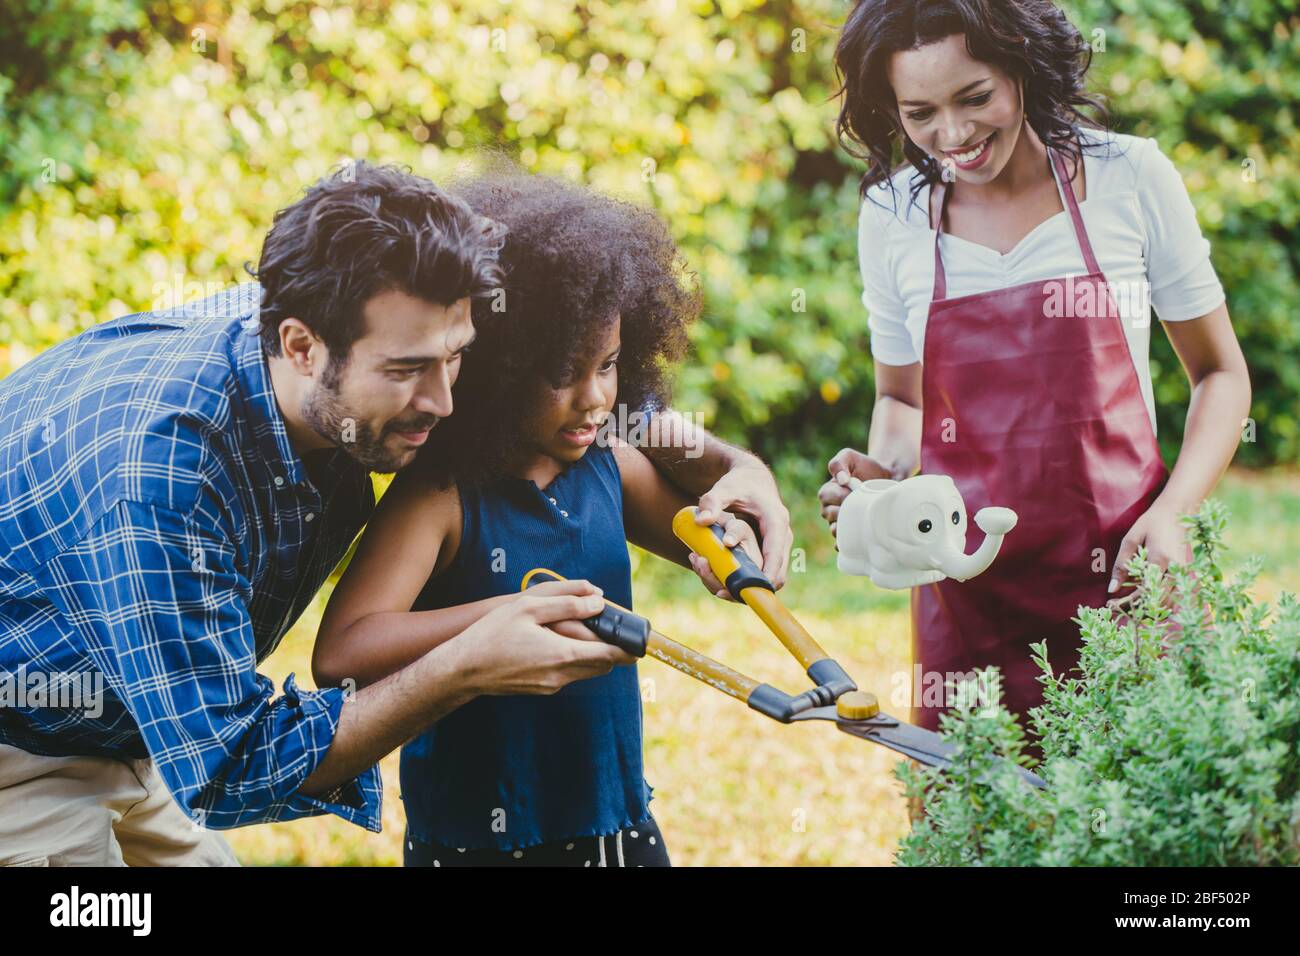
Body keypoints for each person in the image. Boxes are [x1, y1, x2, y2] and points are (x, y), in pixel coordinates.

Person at [0, 161, 792, 866]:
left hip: (147, 721)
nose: (447, 402)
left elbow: (597, 395)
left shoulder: (356, 314)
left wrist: (738, 468)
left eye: (458, 359)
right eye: (412, 370)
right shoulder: (161, 474)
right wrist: (464, 662)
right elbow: (234, 764)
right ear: (302, 347)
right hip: (22, 749)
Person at [818, 0, 1251, 733]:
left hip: (1126, 579)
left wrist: (1173, 514)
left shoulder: (1129, 177)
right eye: (920, 112)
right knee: (980, 834)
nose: (951, 136)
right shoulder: (890, 214)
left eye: (976, 97)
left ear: (1022, 65)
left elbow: (1219, 374)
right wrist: (883, 476)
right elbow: (904, 401)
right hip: (965, 603)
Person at [314, 169, 762, 867]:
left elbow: (704, 539)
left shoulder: (612, 464)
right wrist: (505, 620)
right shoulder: (441, 494)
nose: (593, 397)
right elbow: (341, 652)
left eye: (610, 365)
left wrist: (730, 542)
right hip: (479, 837)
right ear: (497, 366)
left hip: (614, 816)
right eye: (562, 373)